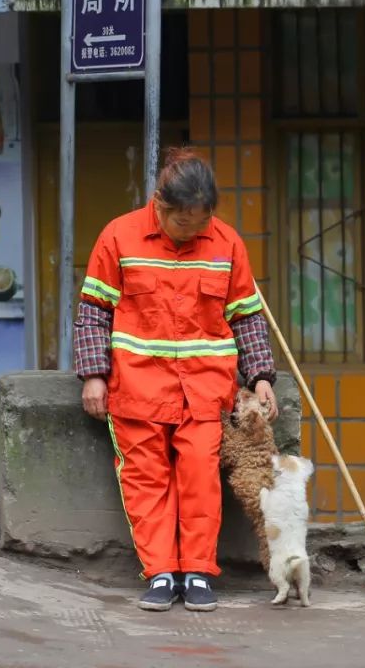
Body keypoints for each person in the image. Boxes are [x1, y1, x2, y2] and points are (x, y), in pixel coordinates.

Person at [73, 147, 278, 613]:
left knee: (200, 476)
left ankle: (199, 572)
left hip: (205, 389)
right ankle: (161, 572)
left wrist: (262, 376)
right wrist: (93, 376)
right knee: (146, 479)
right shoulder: (118, 237)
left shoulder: (226, 243)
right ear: (160, 206)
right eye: (183, 222)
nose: (193, 231)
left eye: (200, 222)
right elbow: (93, 313)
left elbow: (246, 316)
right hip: (136, 387)